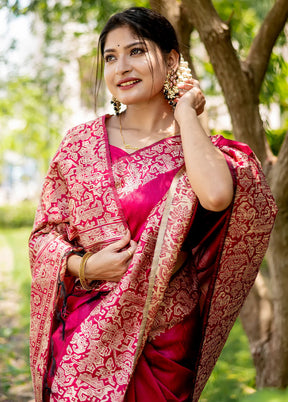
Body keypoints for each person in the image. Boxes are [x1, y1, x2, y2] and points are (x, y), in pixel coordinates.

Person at [29, 6, 277, 402]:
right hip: (83, 333)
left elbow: (216, 195)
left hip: (162, 335)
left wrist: (187, 113)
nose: (121, 67)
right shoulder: (79, 145)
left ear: (172, 60)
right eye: (111, 57)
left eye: (137, 51)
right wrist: (86, 265)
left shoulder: (199, 149)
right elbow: (44, 237)